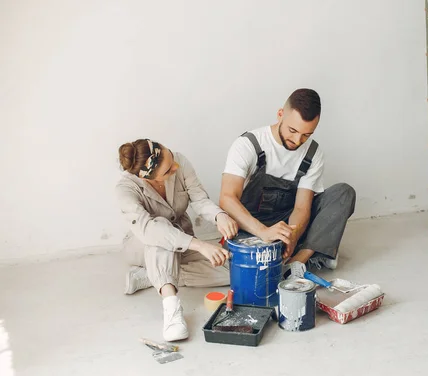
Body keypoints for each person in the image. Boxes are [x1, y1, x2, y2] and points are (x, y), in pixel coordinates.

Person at [219, 88, 356, 274]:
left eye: (307, 134)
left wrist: (292, 236)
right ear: (280, 115)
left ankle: (298, 261)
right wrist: (263, 232)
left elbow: (301, 208)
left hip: (287, 222)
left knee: (343, 193)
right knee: (244, 267)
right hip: (251, 224)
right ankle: (319, 249)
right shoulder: (248, 144)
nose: (297, 140)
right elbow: (227, 199)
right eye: (293, 130)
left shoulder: (313, 153)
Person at [116, 139, 239, 341]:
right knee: (161, 232)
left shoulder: (179, 161)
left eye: (171, 158)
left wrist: (219, 216)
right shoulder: (125, 189)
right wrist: (200, 246)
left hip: (182, 240)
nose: (176, 167)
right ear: (147, 179)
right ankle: (171, 308)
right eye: (168, 171)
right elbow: (149, 231)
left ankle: (152, 276)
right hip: (142, 246)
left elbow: (199, 199)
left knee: (232, 270)